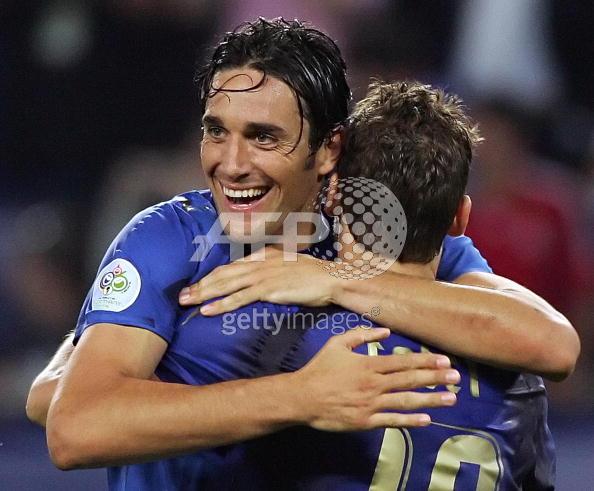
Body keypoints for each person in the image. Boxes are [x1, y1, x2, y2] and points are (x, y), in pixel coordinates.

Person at [27, 18, 577, 488]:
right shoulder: (169, 235)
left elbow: (550, 342)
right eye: (215, 131)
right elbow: (72, 421)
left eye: (264, 137)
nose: (231, 163)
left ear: (328, 149)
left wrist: (336, 280)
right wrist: (299, 395)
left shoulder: (370, 230)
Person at [202, 81, 555, 490]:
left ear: (332, 196)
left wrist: (335, 281)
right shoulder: (519, 373)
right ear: (460, 218)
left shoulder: (271, 336)